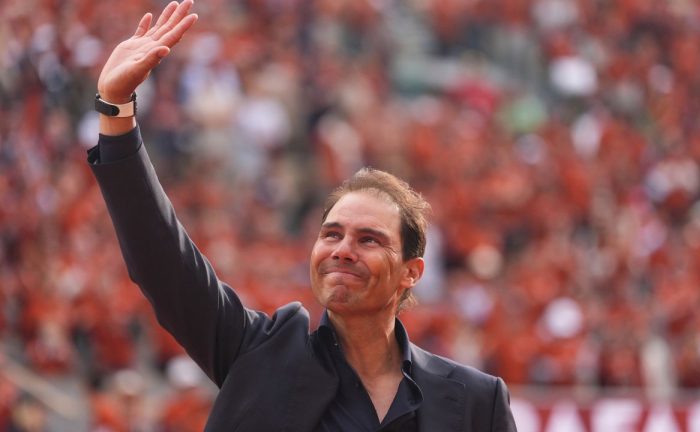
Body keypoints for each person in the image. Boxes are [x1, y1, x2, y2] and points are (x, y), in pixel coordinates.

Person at [87, 1, 517, 430]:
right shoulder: (260, 357)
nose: (342, 250)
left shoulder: (476, 401)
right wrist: (116, 110)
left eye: (368, 239)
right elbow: (164, 263)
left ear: (412, 272)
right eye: (331, 234)